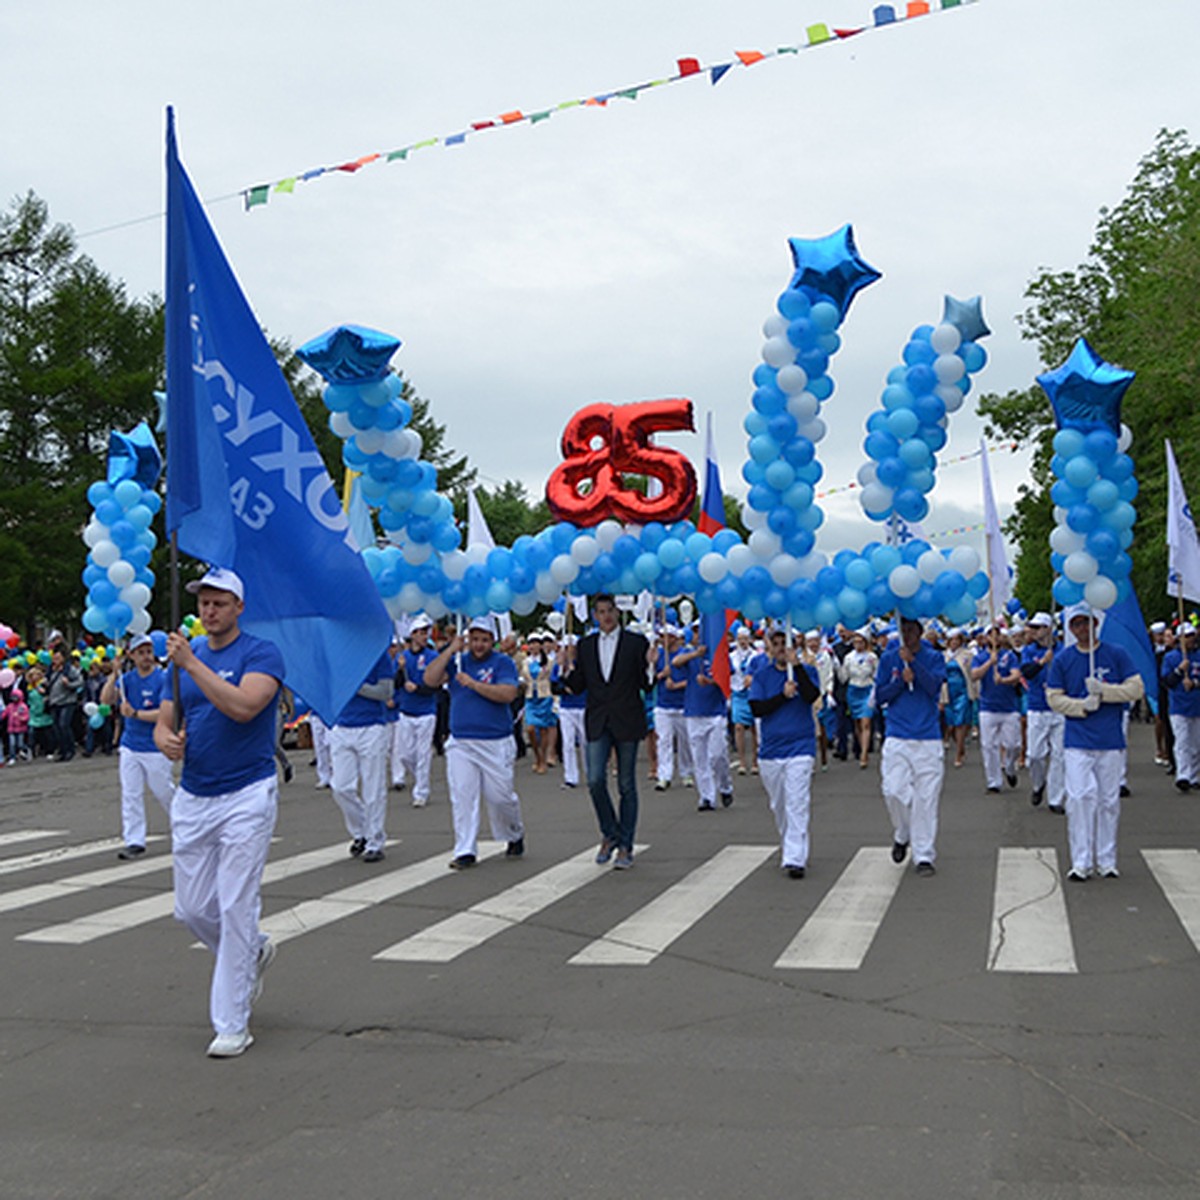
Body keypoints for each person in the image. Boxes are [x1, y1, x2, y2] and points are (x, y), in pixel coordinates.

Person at [155, 567, 284, 1058]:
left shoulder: (260, 653)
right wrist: (166, 737)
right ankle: (251, 951)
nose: (209, 611)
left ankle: (232, 1022)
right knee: (190, 909)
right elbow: (170, 716)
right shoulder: (185, 658)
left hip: (247, 792)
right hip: (194, 792)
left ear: (239, 608)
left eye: (219, 603)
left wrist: (191, 664)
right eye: (204, 603)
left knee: (234, 905)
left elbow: (245, 707)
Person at [1046, 603, 1144, 881]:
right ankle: (1081, 861)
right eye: (1076, 624)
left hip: (1110, 739)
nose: (1081, 629)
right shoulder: (1064, 659)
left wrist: (1105, 691)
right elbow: (1054, 697)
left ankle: (1107, 859)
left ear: (1095, 625)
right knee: (1079, 798)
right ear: (1070, 628)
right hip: (1077, 739)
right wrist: (1080, 705)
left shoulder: (1116, 654)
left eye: (1085, 623)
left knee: (1108, 801)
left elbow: (1136, 688)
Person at [423, 615, 525, 869]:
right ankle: (465, 849)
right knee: (463, 795)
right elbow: (430, 679)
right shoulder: (458, 661)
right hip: (461, 741)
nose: (479, 645)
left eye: (484, 640)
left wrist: (474, 684)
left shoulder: (502, 663)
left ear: (493, 641)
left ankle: (513, 832)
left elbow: (508, 694)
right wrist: (449, 652)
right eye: (475, 639)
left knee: (500, 797)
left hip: (495, 741)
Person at [562, 593, 652, 869]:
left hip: (626, 717)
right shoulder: (586, 645)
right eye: (601, 611)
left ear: (618, 611)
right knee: (596, 779)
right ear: (595, 616)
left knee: (626, 783)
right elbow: (577, 685)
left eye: (610, 610)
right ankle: (610, 832)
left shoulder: (636, 643)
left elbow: (645, 686)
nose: (607, 616)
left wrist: (651, 664)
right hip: (598, 719)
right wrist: (567, 665)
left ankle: (626, 844)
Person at [875, 616, 948, 876]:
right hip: (897, 734)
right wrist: (899, 681)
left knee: (926, 799)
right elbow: (880, 696)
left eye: (911, 630)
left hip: (927, 736)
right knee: (893, 791)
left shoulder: (934, 656)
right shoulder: (888, 658)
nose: (907, 634)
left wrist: (914, 665)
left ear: (919, 631)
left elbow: (933, 688)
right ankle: (903, 831)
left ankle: (924, 855)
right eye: (902, 629)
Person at [749, 626, 821, 878]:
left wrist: (797, 667)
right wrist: (782, 695)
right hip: (771, 751)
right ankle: (790, 843)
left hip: (800, 747)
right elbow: (757, 708)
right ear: (769, 646)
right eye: (777, 643)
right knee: (779, 805)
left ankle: (795, 857)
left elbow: (812, 695)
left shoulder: (807, 671)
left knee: (797, 802)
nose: (781, 648)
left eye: (785, 643)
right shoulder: (762, 675)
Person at [101, 633, 173, 860]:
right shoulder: (127, 680)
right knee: (131, 794)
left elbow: (166, 713)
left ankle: (187, 827)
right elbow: (105, 699)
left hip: (155, 747)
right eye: (141, 653)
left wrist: (137, 714)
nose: (146, 657)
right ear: (131, 655)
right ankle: (134, 840)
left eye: (149, 652)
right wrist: (113, 674)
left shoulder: (162, 679)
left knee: (164, 792)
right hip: (130, 746)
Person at [329, 648, 395, 863]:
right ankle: (361, 831)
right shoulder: (336, 655)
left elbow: (386, 692)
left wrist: (357, 687)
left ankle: (375, 840)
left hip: (372, 726)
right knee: (341, 787)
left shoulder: (378, 654)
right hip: (341, 725)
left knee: (373, 788)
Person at [674, 631, 734, 812]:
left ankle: (725, 786)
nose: (699, 635)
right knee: (699, 758)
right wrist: (695, 654)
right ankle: (706, 797)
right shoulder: (690, 655)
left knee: (717, 755)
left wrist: (709, 681)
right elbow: (676, 663)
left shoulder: (721, 655)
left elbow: (727, 680)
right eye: (696, 632)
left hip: (716, 712)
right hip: (694, 712)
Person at [392, 614, 440, 806]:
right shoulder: (403, 658)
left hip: (426, 711)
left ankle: (421, 791)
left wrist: (419, 689)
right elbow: (395, 685)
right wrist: (399, 670)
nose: (422, 636)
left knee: (422, 754)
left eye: (424, 632)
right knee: (404, 755)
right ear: (411, 635)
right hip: (406, 711)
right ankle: (420, 778)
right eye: (418, 633)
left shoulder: (432, 657)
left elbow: (436, 685)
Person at [1021, 612, 1066, 812]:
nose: (1034, 631)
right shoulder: (1029, 651)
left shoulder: (1063, 650)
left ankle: (1056, 799)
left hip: (1059, 708)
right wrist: (1042, 662)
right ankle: (1039, 784)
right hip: (1037, 707)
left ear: (1048, 629)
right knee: (1035, 755)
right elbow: (1026, 672)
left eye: (1038, 627)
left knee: (1060, 755)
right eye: (1033, 627)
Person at [971, 626, 1023, 792]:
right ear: (985, 638)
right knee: (988, 746)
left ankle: (1009, 766)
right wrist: (989, 663)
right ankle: (993, 782)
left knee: (1014, 745)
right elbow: (974, 675)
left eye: (997, 634)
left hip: (1009, 707)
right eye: (990, 635)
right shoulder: (980, 657)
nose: (994, 638)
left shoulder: (1009, 656)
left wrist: (1004, 680)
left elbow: (1016, 675)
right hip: (987, 707)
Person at [1160, 624, 1200, 792]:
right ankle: (1183, 775)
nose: (1190, 639)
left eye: (1192, 635)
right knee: (1182, 740)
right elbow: (1166, 681)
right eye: (1187, 636)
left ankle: (1195, 775)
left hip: (1197, 705)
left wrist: (1195, 683)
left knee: (1196, 743)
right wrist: (1179, 671)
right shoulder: (1170, 657)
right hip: (1178, 706)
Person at [651, 625, 692, 791]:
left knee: (685, 742)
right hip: (663, 705)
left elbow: (693, 680)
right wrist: (660, 675)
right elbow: (648, 678)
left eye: (665, 636)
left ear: (674, 638)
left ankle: (686, 772)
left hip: (682, 705)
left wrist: (677, 685)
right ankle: (664, 775)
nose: (662, 639)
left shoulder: (684, 655)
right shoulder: (659, 655)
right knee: (664, 741)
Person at [837, 628, 877, 769]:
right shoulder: (849, 657)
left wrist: (875, 692)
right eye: (855, 642)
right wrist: (838, 666)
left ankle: (864, 754)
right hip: (853, 690)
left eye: (861, 642)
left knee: (866, 722)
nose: (858, 645)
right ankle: (861, 747)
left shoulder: (872, 657)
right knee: (858, 724)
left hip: (867, 689)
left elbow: (876, 675)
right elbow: (843, 678)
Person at [521, 631, 559, 773]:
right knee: (530, 728)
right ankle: (537, 756)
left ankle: (542, 759)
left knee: (543, 730)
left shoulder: (549, 661)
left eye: (535, 643)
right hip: (531, 697)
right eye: (530, 644)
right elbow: (523, 677)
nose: (533, 646)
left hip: (545, 696)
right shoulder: (526, 662)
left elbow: (552, 678)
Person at [553, 636, 586, 789]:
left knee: (586, 742)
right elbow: (555, 687)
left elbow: (582, 683)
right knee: (568, 743)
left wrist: (571, 672)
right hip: (566, 707)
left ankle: (590, 773)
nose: (568, 651)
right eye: (565, 648)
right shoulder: (558, 666)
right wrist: (563, 677)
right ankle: (570, 777)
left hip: (583, 706)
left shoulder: (583, 665)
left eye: (570, 648)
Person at [729, 626, 759, 775]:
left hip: (752, 693)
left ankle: (754, 761)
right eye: (740, 639)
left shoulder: (755, 656)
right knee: (739, 726)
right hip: (737, 692)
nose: (743, 642)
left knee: (754, 728)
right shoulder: (732, 656)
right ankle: (741, 761)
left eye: (745, 639)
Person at [46, 647, 83, 762]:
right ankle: (63, 750)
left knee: (64, 725)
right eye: (54, 657)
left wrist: (69, 684)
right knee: (56, 728)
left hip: (67, 701)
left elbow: (80, 681)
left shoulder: (69, 669)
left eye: (58, 657)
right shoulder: (50, 670)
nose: (55, 660)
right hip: (54, 702)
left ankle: (70, 750)